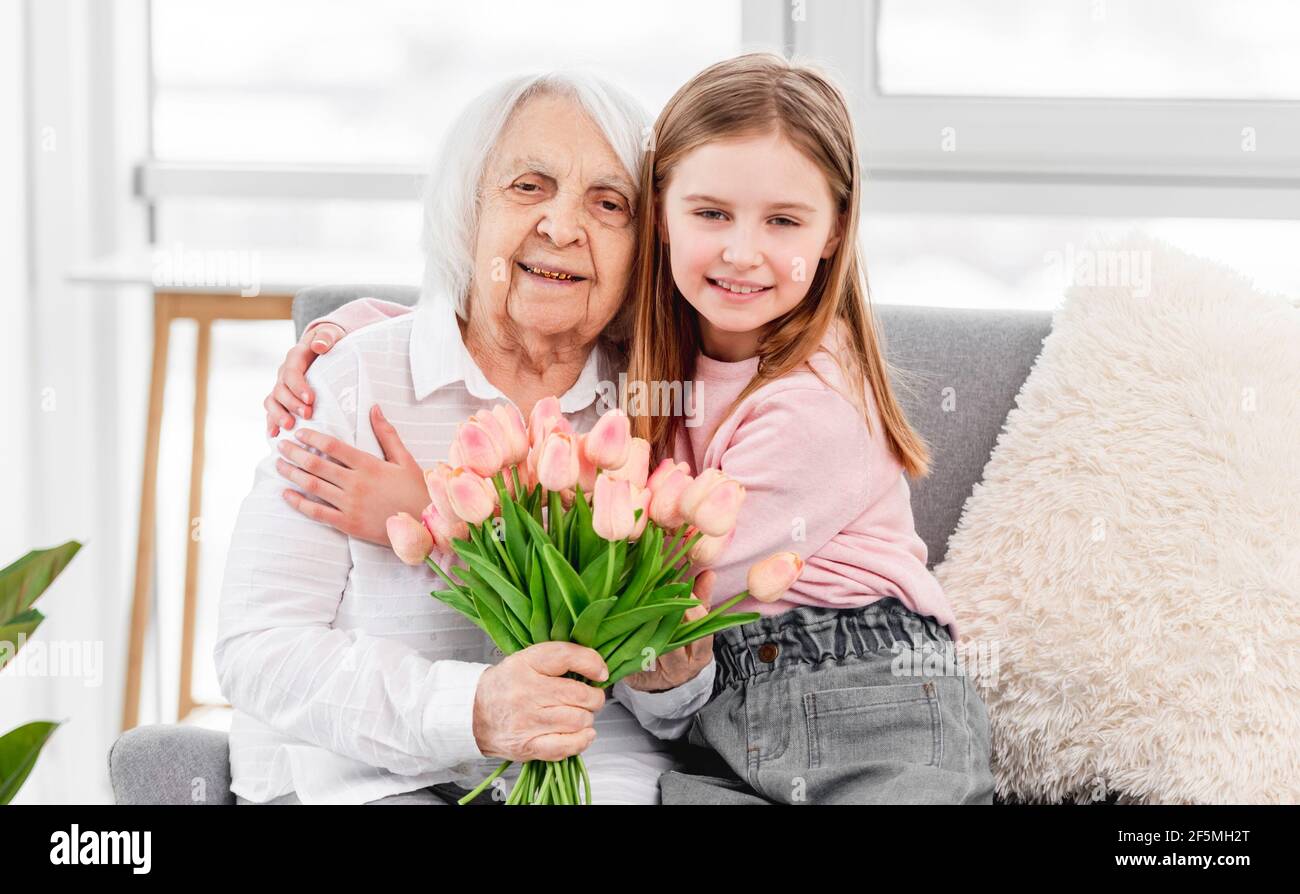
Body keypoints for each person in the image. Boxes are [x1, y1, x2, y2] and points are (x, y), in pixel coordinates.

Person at [216, 70, 713, 806]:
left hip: (591, 769)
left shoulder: (653, 402)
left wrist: (667, 676)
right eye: (529, 187)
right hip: (367, 776)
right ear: (466, 212)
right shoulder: (352, 378)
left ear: (644, 248)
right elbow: (258, 649)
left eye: (609, 205)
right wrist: (471, 710)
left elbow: (665, 712)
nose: (563, 226)